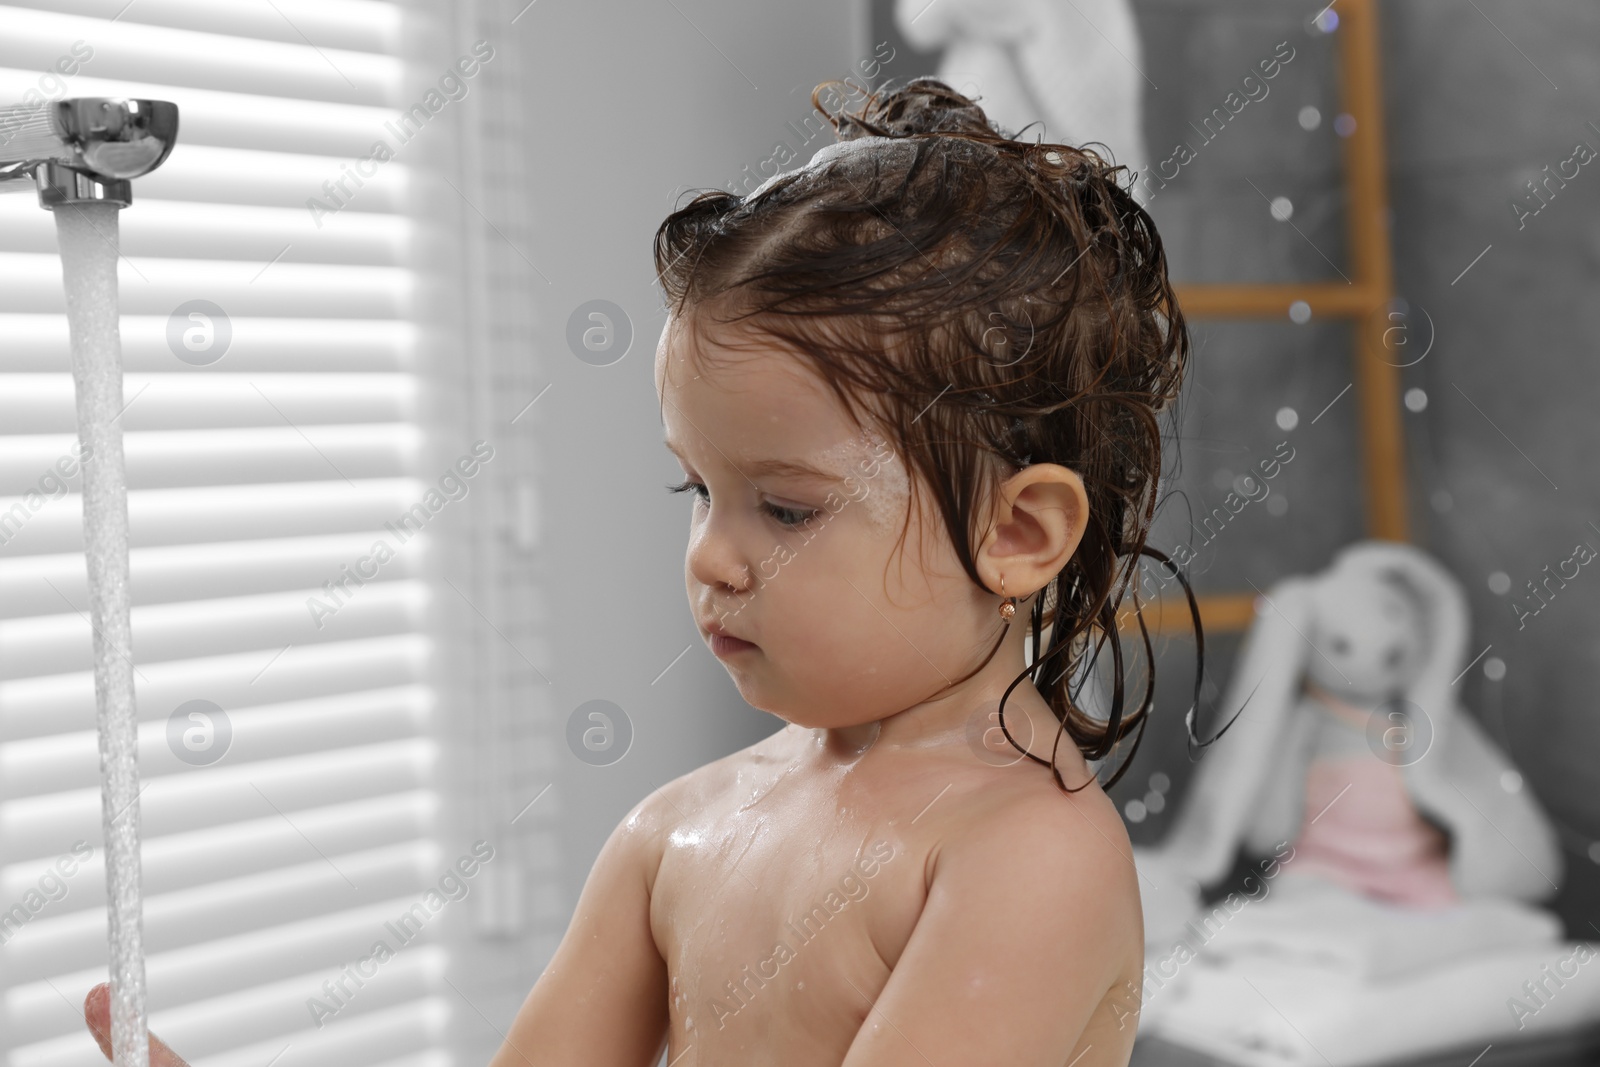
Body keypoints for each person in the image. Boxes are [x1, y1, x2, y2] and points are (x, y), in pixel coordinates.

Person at [86, 75, 1190, 1067]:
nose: (711, 551)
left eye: (787, 506)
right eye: (695, 488)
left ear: (1021, 531)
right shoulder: (674, 831)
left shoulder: (1023, 855)